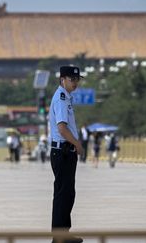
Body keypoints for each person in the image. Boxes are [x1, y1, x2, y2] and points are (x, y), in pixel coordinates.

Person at [49, 66, 84, 243]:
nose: (76, 83)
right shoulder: (61, 98)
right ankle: (59, 237)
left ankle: (63, 234)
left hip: (65, 152)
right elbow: (62, 128)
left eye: (77, 79)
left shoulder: (66, 98)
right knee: (64, 194)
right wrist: (77, 143)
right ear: (63, 79)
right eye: (72, 79)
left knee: (67, 194)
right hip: (62, 152)